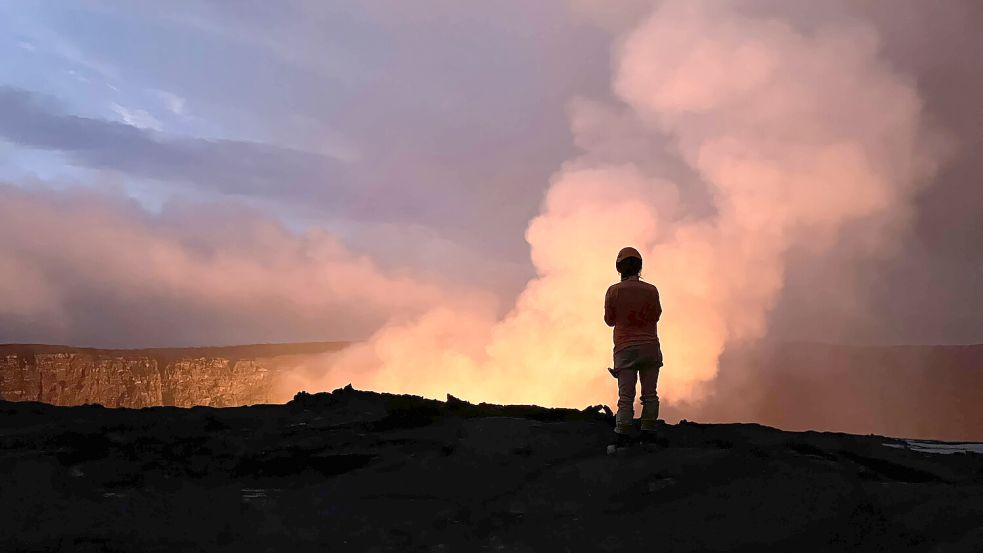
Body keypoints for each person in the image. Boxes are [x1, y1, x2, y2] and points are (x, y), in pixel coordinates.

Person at [604, 246, 663, 437]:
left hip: (625, 348)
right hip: (650, 348)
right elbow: (656, 316)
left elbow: (609, 320)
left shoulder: (614, 291)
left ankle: (623, 432)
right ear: (640, 267)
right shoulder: (651, 290)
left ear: (619, 268)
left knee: (626, 396)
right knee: (650, 395)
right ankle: (648, 430)